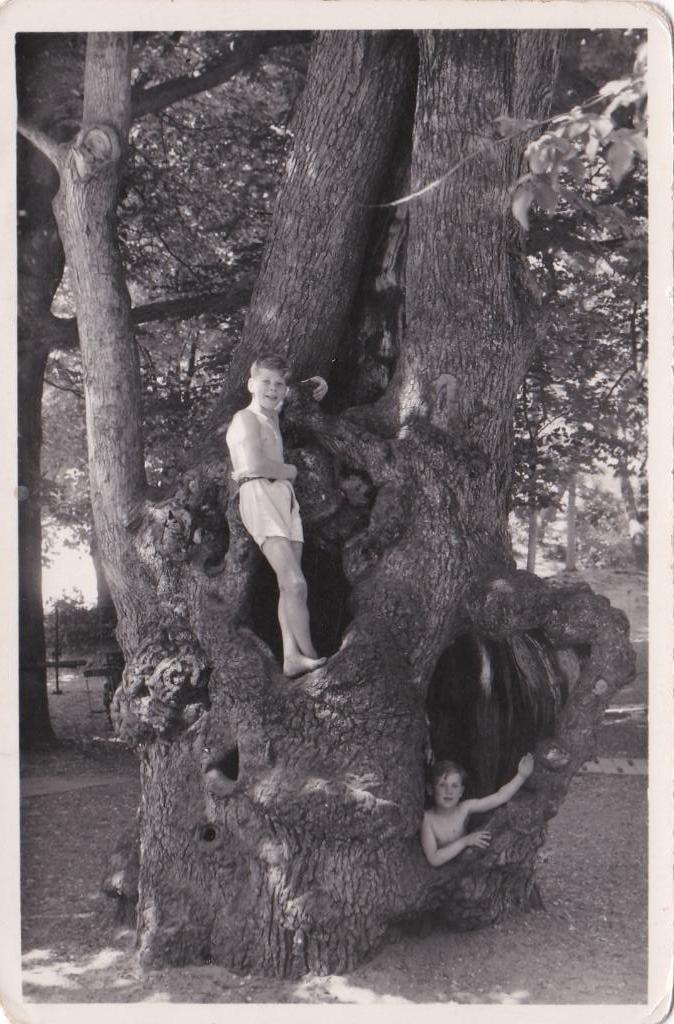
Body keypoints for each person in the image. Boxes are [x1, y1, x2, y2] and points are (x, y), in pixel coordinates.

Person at [225, 354, 327, 678]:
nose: (273, 388)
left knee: (290, 584)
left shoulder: (272, 416)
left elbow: (289, 395)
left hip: (284, 498)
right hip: (258, 492)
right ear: (251, 384)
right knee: (295, 583)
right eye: (266, 382)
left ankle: (292, 656)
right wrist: (290, 470)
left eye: (279, 384)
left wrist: (319, 384)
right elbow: (250, 466)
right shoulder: (245, 419)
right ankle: (313, 657)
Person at [420, 754, 534, 867]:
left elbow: (499, 797)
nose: (449, 791)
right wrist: (465, 841)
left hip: (466, 867)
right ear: (430, 789)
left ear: (461, 792)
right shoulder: (427, 819)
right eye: (442, 785)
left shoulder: (464, 808)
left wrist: (521, 776)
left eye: (454, 786)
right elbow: (434, 859)